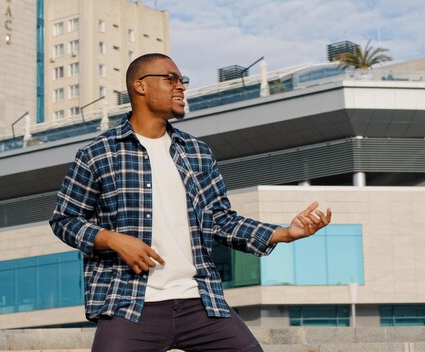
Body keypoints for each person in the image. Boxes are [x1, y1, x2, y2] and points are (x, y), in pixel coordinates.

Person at [49, 53, 331, 352]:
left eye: (182, 80)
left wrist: (285, 233)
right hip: (129, 303)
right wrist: (114, 240)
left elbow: (221, 220)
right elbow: (65, 220)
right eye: (170, 78)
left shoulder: (196, 152)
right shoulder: (98, 153)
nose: (180, 86)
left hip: (200, 302)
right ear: (140, 86)